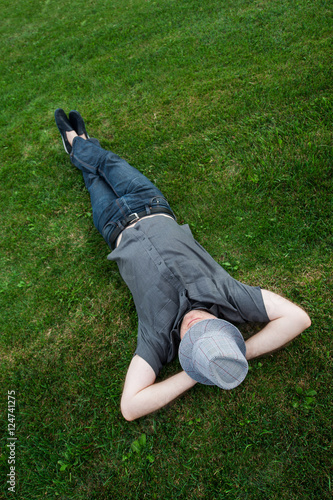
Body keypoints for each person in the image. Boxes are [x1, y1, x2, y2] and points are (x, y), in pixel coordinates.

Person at [54, 109, 311, 421]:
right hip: (150, 201)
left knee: (94, 177)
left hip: (111, 224)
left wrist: (195, 370)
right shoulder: (230, 298)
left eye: (192, 338)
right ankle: (78, 141)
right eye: (208, 326)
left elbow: (130, 407)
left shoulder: (157, 337)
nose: (193, 324)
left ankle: (78, 144)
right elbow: (298, 318)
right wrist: (240, 353)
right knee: (109, 163)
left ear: (184, 352)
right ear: (226, 329)